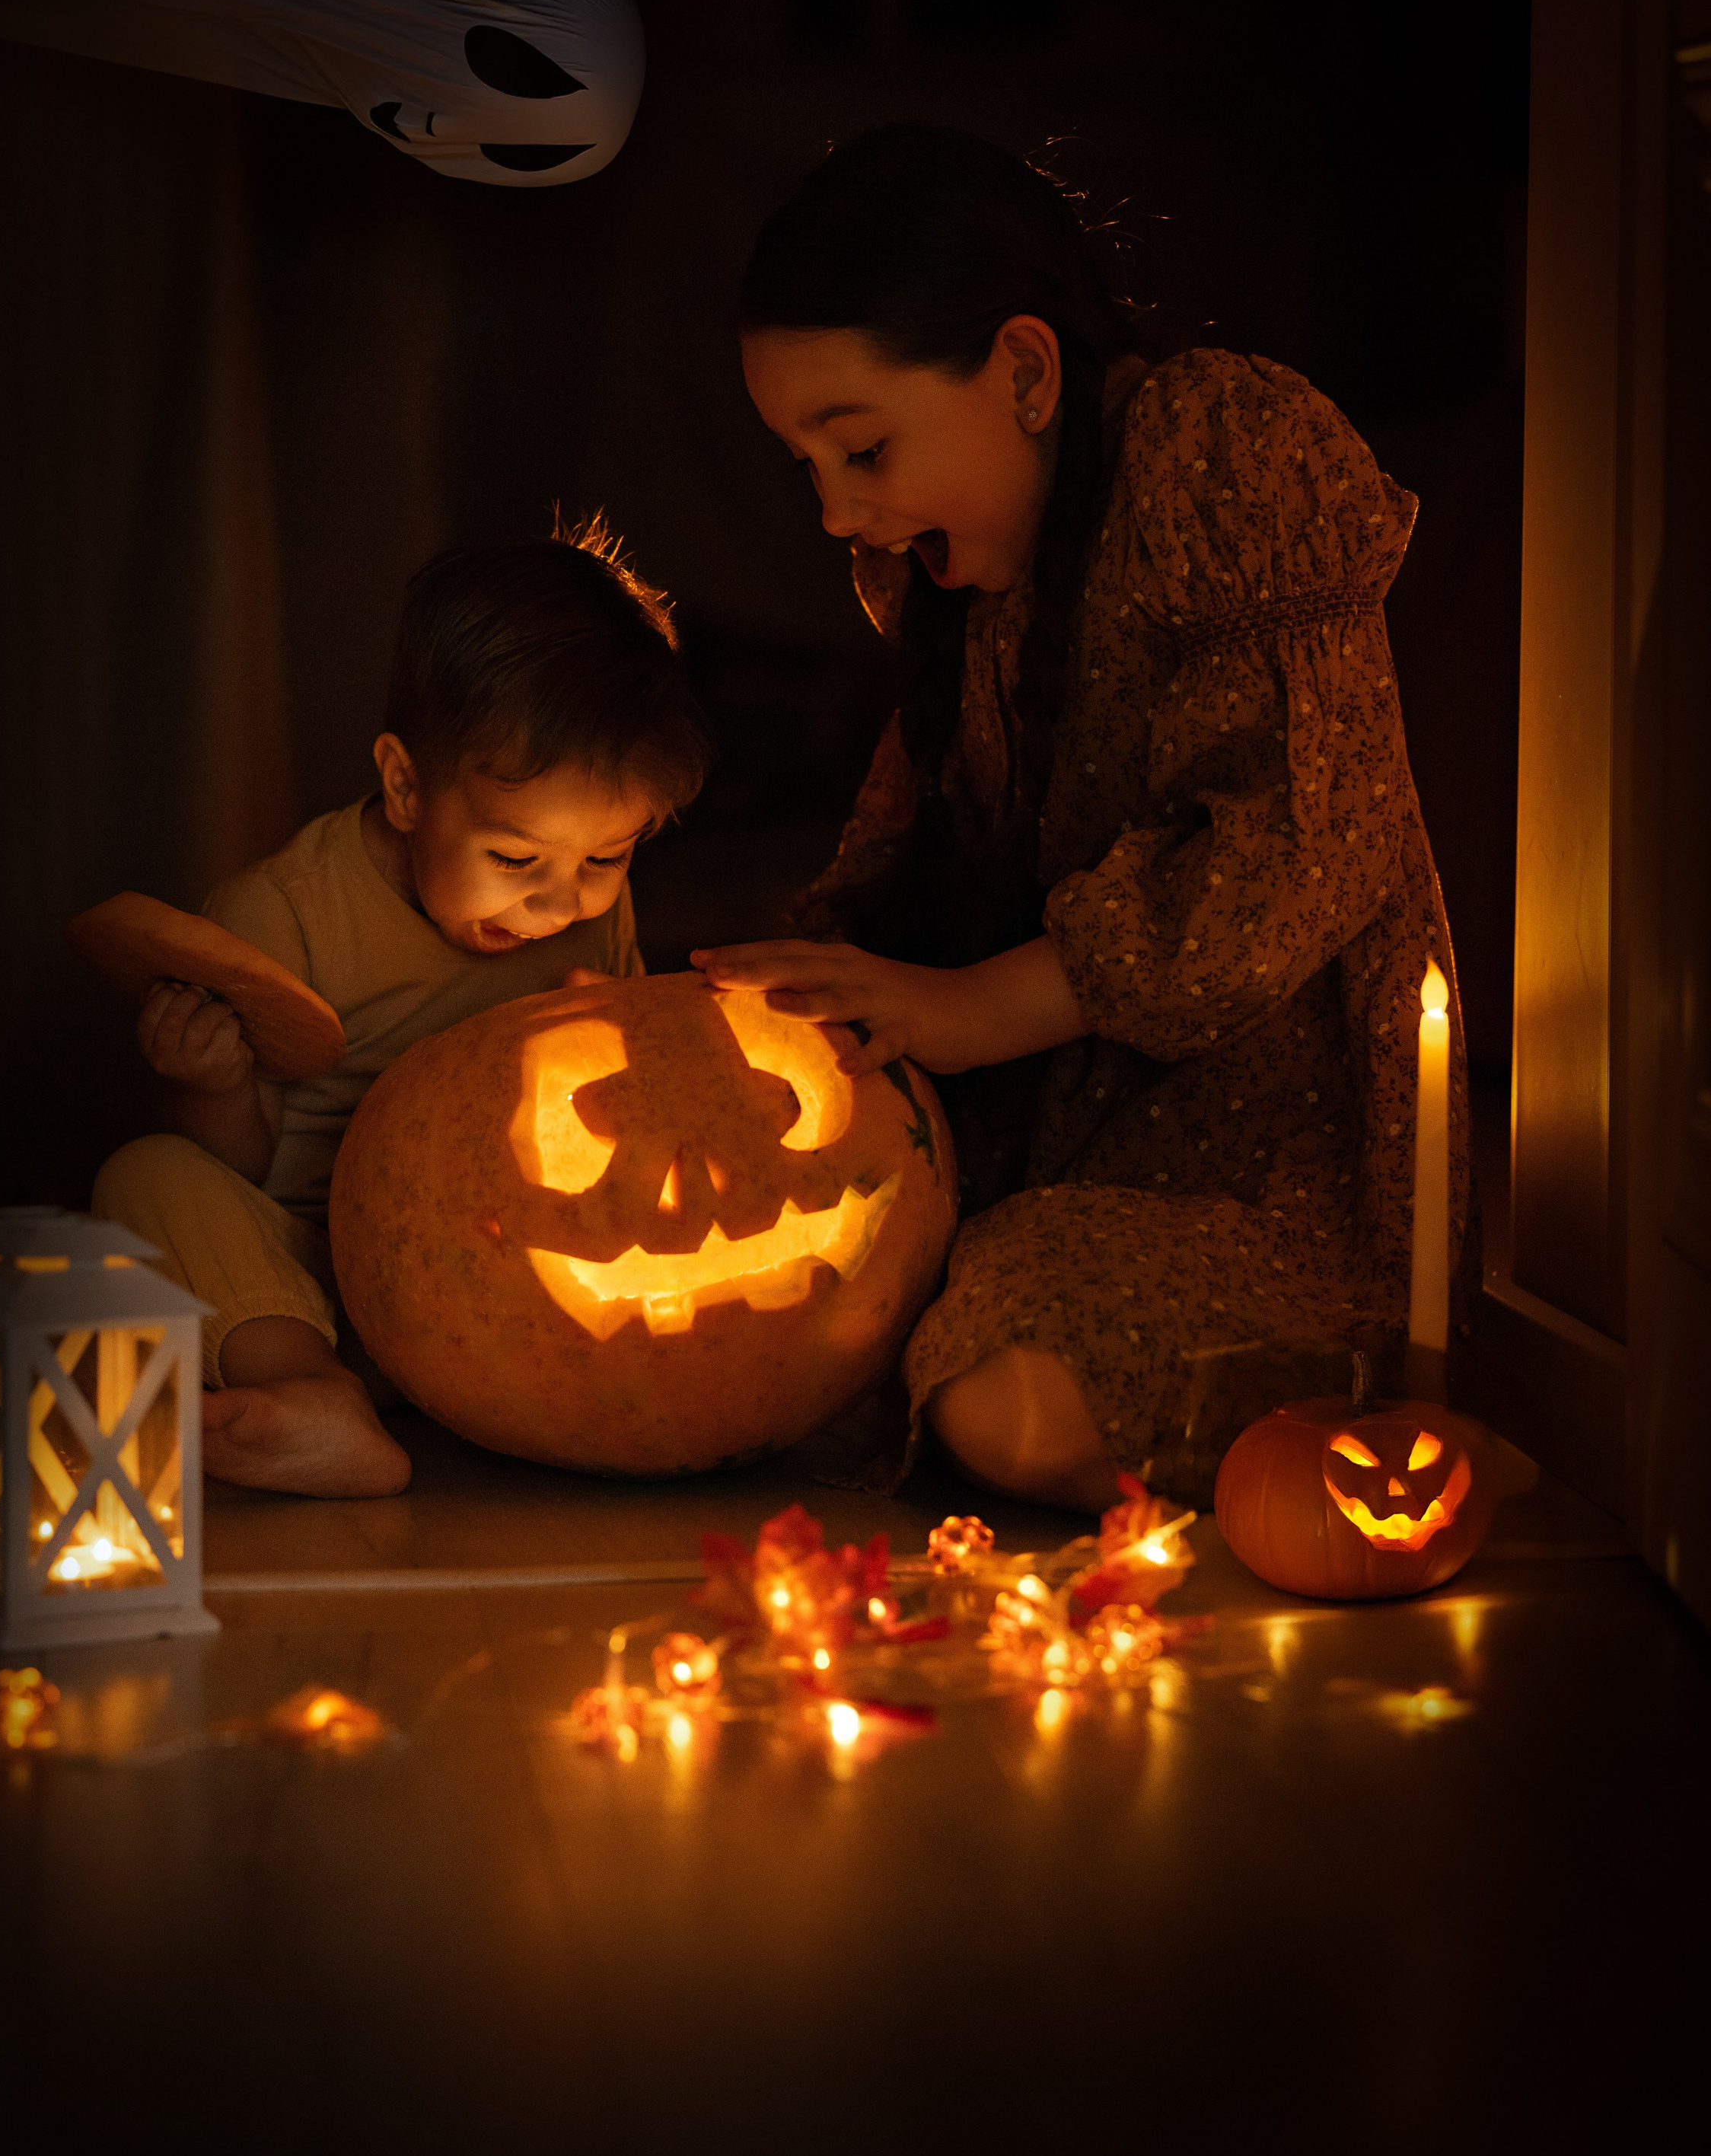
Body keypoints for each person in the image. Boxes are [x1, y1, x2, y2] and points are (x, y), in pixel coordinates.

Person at [693, 126, 1470, 1508]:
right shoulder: (962, 603)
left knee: (1011, 1383)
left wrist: (975, 1006)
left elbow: (1305, 842)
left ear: (1028, 373)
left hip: (1261, 1168)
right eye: (804, 467)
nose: (833, 513)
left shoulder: (1210, 443)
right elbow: (903, 857)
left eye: (860, 448)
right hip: (1050, 1151)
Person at [95, 521, 709, 1498]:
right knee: (149, 1177)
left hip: (501, 1284)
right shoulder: (285, 912)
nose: (560, 901)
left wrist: (628, 1031)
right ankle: (307, 1393)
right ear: (406, 785)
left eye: (606, 858)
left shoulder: (590, 914)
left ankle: (474, 1395)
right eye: (516, 860)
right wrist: (208, 1082)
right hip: (307, 1277)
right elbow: (237, 1171)